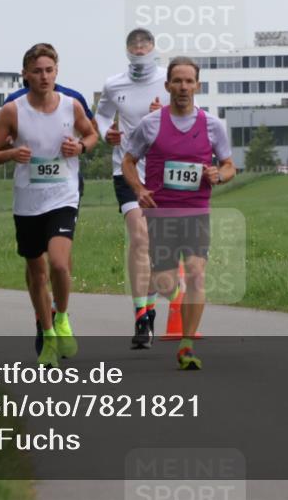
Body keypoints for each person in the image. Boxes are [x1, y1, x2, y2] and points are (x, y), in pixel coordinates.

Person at [0, 43, 97, 368]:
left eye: (49, 70)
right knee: (36, 272)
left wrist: (81, 147)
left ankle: (61, 318)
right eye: (37, 71)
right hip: (28, 200)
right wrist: (10, 154)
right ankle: (46, 333)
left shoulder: (72, 105)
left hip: (63, 194)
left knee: (59, 263)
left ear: (56, 71)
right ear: (25, 75)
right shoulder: (13, 110)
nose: (44, 76)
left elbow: (91, 134)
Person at [122, 56, 235, 370]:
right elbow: (128, 161)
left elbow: (229, 165)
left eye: (189, 81)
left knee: (197, 273)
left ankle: (186, 345)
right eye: (178, 81)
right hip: (161, 213)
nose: (183, 87)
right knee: (165, 282)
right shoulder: (151, 124)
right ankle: (166, 301)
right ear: (168, 85)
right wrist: (139, 190)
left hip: (197, 211)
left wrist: (219, 175)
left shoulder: (213, 125)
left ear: (197, 86)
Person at [94, 27, 168, 349]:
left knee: (153, 247)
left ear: (153, 48)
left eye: (145, 44)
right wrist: (105, 134)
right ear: (127, 50)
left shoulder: (170, 81)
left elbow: (188, 120)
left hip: (161, 173)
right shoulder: (114, 84)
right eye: (134, 45)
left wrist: (160, 117)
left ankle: (150, 310)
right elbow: (100, 118)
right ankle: (141, 316)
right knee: (139, 239)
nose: (139, 49)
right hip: (126, 171)